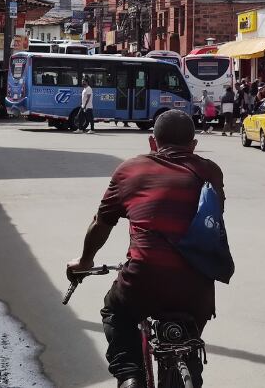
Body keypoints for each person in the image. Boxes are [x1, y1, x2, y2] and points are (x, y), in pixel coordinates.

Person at [67, 109, 224, 388]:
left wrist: (85, 260)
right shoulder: (211, 171)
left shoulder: (131, 170)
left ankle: (130, 377)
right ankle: (188, 365)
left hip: (142, 280)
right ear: (193, 145)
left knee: (115, 312)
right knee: (188, 338)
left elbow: (102, 222)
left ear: (153, 142)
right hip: (197, 287)